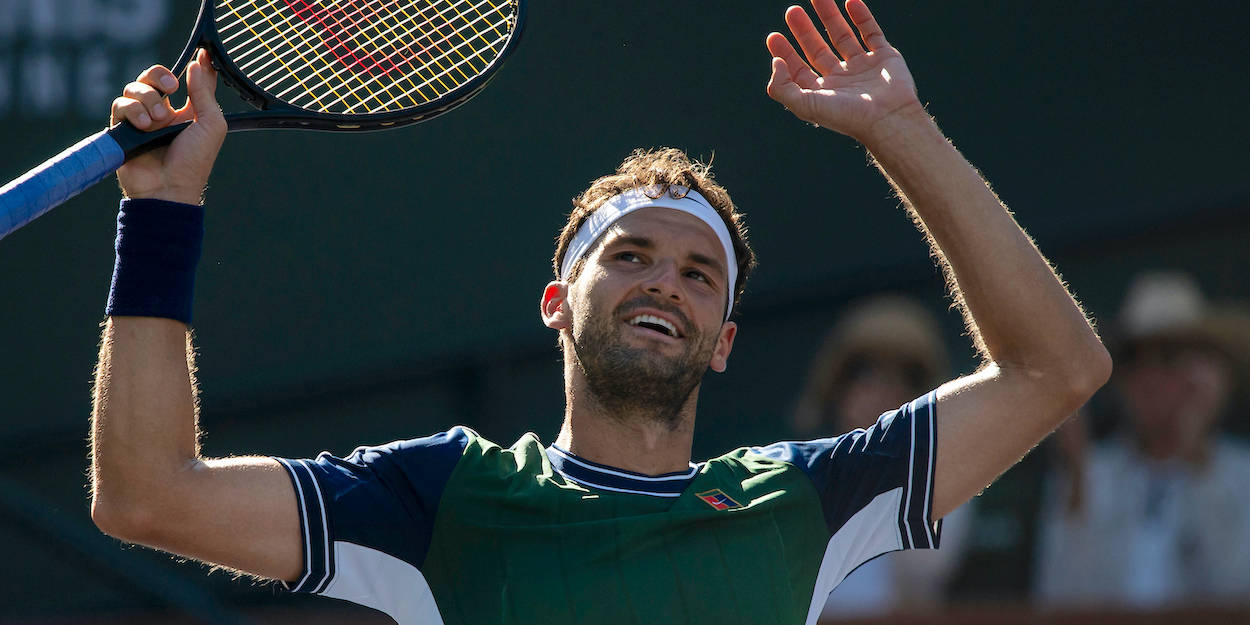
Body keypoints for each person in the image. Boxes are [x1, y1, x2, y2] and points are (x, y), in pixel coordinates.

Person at [89, 2, 1110, 623]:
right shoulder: (440, 495)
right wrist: (166, 211)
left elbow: (1056, 369)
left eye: (698, 275)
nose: (665, 280)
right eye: (629, 257)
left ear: (724, 344)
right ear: (554, 305)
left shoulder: (801, 498)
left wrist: (902, 131)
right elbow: (145, 495)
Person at [1035, 272, 1250, 609]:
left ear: (1205, 374)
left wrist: (1198, 460)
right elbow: (1060, 598)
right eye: (1132, 358)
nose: (1148, 378)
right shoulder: (1090, 475)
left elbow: (1235, 586)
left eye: (1169, 357)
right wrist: (1077, 482)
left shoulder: (1240, 476)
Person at [791, 296, 973, 617]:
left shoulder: (942, 478)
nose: (880, 392)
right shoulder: (802, 472)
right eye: (864, 374)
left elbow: (928, 569)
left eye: (905, 377)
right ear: (839, 388)